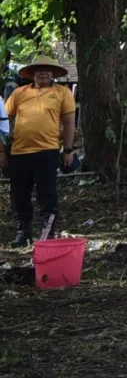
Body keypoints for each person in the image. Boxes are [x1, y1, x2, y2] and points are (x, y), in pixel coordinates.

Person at [5, 56, 76, 247]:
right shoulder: (19, 93)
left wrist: (68, 149)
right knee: (19, 194)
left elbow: (69, 122)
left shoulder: (62, 93)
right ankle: (22, 232)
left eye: (46, 70)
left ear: (53, 73)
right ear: (32, 74)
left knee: (47, 193)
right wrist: (2, 151)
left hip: (47, 150)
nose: (43, 73)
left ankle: (48, 232)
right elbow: (4, 120)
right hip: (19, 151)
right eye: (38, 70)